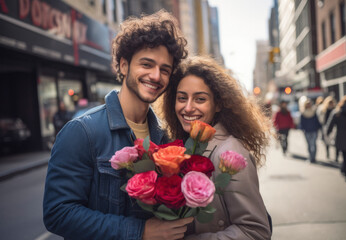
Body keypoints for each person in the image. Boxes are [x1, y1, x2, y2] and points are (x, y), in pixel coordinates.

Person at [43, 10, 193, 240]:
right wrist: (140, 232)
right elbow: (58, 213)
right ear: (124, 66)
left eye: (165, 69)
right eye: (147, 64)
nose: (156, 76)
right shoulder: (82, 132)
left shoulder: (165, 137)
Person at [160, 56, 272, 239]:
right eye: (182, 98)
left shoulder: (229, 154)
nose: (188, 108)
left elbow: (255, 231)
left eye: (200, 99)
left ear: (218, 104)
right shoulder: (182, 147)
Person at [299, 98, 321, 163]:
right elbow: (302, 123)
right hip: (307, 131)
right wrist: (302, 129)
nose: (308, 105)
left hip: (314, 130)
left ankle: (313, 157)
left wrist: (318, 127)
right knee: (309, 144)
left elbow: (317, 121)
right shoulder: (303, 113)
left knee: (313, 144)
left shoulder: (314, 112)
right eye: (307, 104)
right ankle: (310, 157)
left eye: (309, 104)